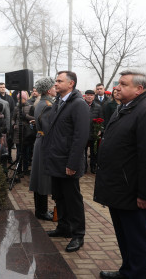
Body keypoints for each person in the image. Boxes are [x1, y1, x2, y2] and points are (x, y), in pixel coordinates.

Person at [94, 70, 146, 279]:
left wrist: (145, 194)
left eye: (123, 84)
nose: (117, 87)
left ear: (138, 89)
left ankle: (136, 274)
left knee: (138, 239)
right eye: (118, 83)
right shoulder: (127, 106)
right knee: (124, 236)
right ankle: (127, 271)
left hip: (133, 191)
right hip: (119, 188)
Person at [44, 71, 90, 253]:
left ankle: (78, 234)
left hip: (67, 163)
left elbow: (80, 137)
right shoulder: (59, 102)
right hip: (55, 160)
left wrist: (72, 164)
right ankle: (63, 227)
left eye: (59, 81)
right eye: (55, 81)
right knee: (59, 196)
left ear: (71, 84)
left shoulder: (78, 104)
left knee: (73, 199)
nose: (55, 84)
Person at [29, 77, 56, 221]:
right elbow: (48, 127)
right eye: (53, 86)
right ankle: (41, 211)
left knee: (40, 178)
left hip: (41, 141)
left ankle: (41, 210)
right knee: (43, 179)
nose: (55, 88)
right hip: (45, 143)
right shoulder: (47, 104)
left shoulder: (42, 102)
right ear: (48, 90)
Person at [11, 91, 35, 176]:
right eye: (18, 99)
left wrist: (26, 116)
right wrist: (13, 124)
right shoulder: (16, 108)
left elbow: (34, 118)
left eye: (21, 98)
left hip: (27, 132)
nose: (19, 100)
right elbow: (13, 118)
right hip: (18, 132)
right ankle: (18, 169)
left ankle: (25, 169)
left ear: (25, 98)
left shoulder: (31, 107)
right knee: (18, 152)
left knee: (26, 152)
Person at [84, 89, 103, 174]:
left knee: (94, 151)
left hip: (94, 133)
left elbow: (102, 120)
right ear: (85, 96)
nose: (89, 96)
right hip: (83, 133)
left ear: (94, 97)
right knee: (82, 152)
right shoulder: (81, 105)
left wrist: (100, 130)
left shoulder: (98, 107)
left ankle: (93, 167)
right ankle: (84, 167)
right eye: (87, 95)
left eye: (91, 95)